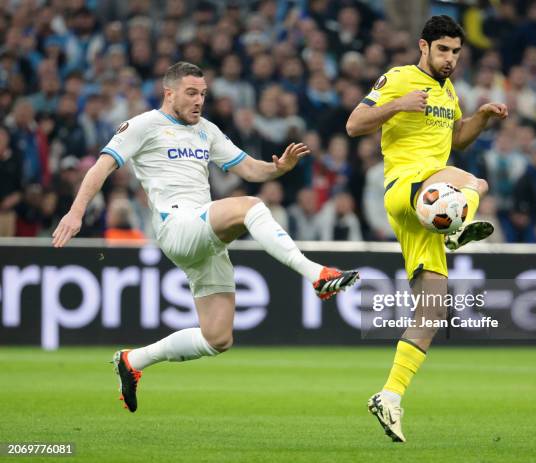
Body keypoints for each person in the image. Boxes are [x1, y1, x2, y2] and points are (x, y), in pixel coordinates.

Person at [52, 62, 359, 413]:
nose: (199, 100)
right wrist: (76, 212)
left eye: (203, 94)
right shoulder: (143, 125)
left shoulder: (206, 130)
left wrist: (278, 168)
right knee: (251, 206)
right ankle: (315, 274)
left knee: (217, 338)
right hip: (176, 225)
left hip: (203, 234)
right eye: (191, 93)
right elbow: (101, 166)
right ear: (169, 93)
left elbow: (248, 168)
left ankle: (133, 360)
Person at [346, 15, 507, 442]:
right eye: (443, 50)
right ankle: (457, 226)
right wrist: (397, 105)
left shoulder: (449, 91)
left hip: (431, 200)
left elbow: (457, 139)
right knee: (475, 182)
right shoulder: (398, 78)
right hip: (406, 187)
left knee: (432, 310)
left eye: (456, 52)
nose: (450, 59)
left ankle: (390, 396)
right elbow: (353, 124)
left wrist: (484, 118)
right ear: (424, 47)